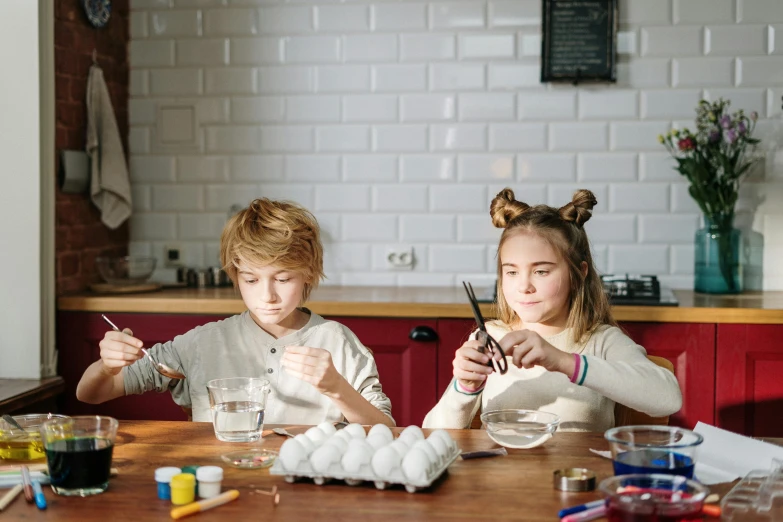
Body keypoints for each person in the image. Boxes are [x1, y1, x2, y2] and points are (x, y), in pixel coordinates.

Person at [77, 198, 394, 426]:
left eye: (283, 279)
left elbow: (386, 431)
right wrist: (107, 367)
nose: (267, 295)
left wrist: (336, 387)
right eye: (251, 279)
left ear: (309, 273)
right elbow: (90, 395)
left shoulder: (337, 342)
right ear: (234, 274)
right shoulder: (203, 343)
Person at [423, 188, 682, 432]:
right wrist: (465, 388)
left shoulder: (601, 342)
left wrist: (563, 361)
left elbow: (668, 399)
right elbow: (431, 434)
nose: (523, 286)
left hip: (577, 478)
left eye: (541, 271)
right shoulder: (489, 338)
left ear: (578, 273)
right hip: (501, 478)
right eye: (511, 271)